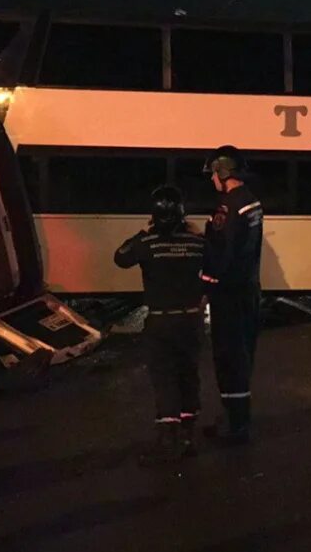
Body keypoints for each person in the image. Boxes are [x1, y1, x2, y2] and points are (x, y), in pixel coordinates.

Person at [114, 185, 206, 464]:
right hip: (191, 320)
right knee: (189, 375)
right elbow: (216, 264)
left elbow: (120, 257)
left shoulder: (147, 243)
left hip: (161, 321)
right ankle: (189, 437)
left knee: (165, 377)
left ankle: (168, 440)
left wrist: (145, 231)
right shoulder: (197, 243)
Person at [200, 146, 263, 445]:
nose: (212, 179)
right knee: (243, 355)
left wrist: (205, 286)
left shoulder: (227, 206)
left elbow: (220, 254)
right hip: (248, 290)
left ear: (223, 173)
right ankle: (238, 419)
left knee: (227, 357)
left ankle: (235, 425)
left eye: (213, 173)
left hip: (228, 294)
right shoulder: (252, 202)